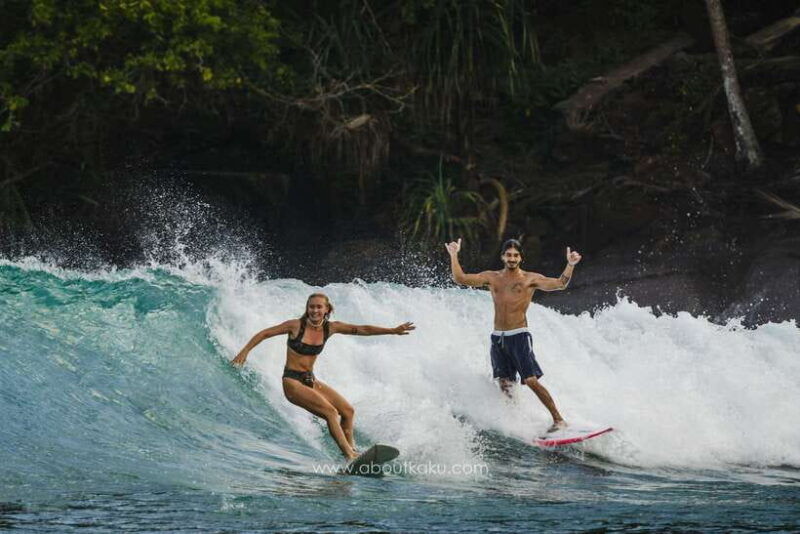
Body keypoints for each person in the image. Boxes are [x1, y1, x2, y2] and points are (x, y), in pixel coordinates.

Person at [231, 293, 415, 460]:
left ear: (327, 309)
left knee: (348, 411)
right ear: (307, 309)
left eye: (319, 307)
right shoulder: (295, 326)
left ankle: (352, 451)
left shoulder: (331, 328)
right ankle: (349, 454)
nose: (315, 310)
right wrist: (245, 351)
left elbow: (362, 329)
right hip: (292, 382)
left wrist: (392, 330)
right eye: (311, 307)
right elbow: (265, 333)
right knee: (330, 412)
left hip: (310, 380)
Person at [445, 238, 581, 432]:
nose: (512, 258)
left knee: (531, 380)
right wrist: (453, 255)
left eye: (515, 255)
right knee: (505, 384)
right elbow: (461, 279)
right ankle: (517, 421)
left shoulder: (529, 279)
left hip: (519, 336)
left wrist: (570, 265)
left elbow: (560, 284)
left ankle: (559, 419)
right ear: (502, 257)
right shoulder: (492, 277)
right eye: (508, 255)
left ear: (521, 258)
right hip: (498, 338)